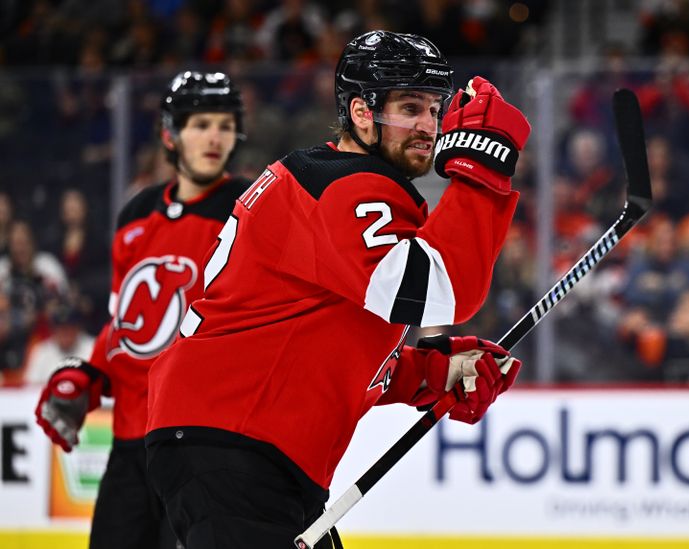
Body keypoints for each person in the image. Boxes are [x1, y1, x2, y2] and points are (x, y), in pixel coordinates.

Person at [145, 30, 530, 549]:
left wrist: (433, 371)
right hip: (235, 446)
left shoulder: (339, 188)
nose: (429, 126)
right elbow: (439, 290)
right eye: (410, 107)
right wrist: (483, 168)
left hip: (239, 445)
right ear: (362, 112)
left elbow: (324, 344)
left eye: (435, 110)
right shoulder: (345, 187)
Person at [34, 70, 252, 549]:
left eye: (224, 123)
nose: (214, 136)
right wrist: (89, 374)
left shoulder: (248, 211)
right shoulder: (136, 213)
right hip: (130, 439)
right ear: (169, 134)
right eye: (200, 124)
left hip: (202, 444)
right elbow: (126, 327)